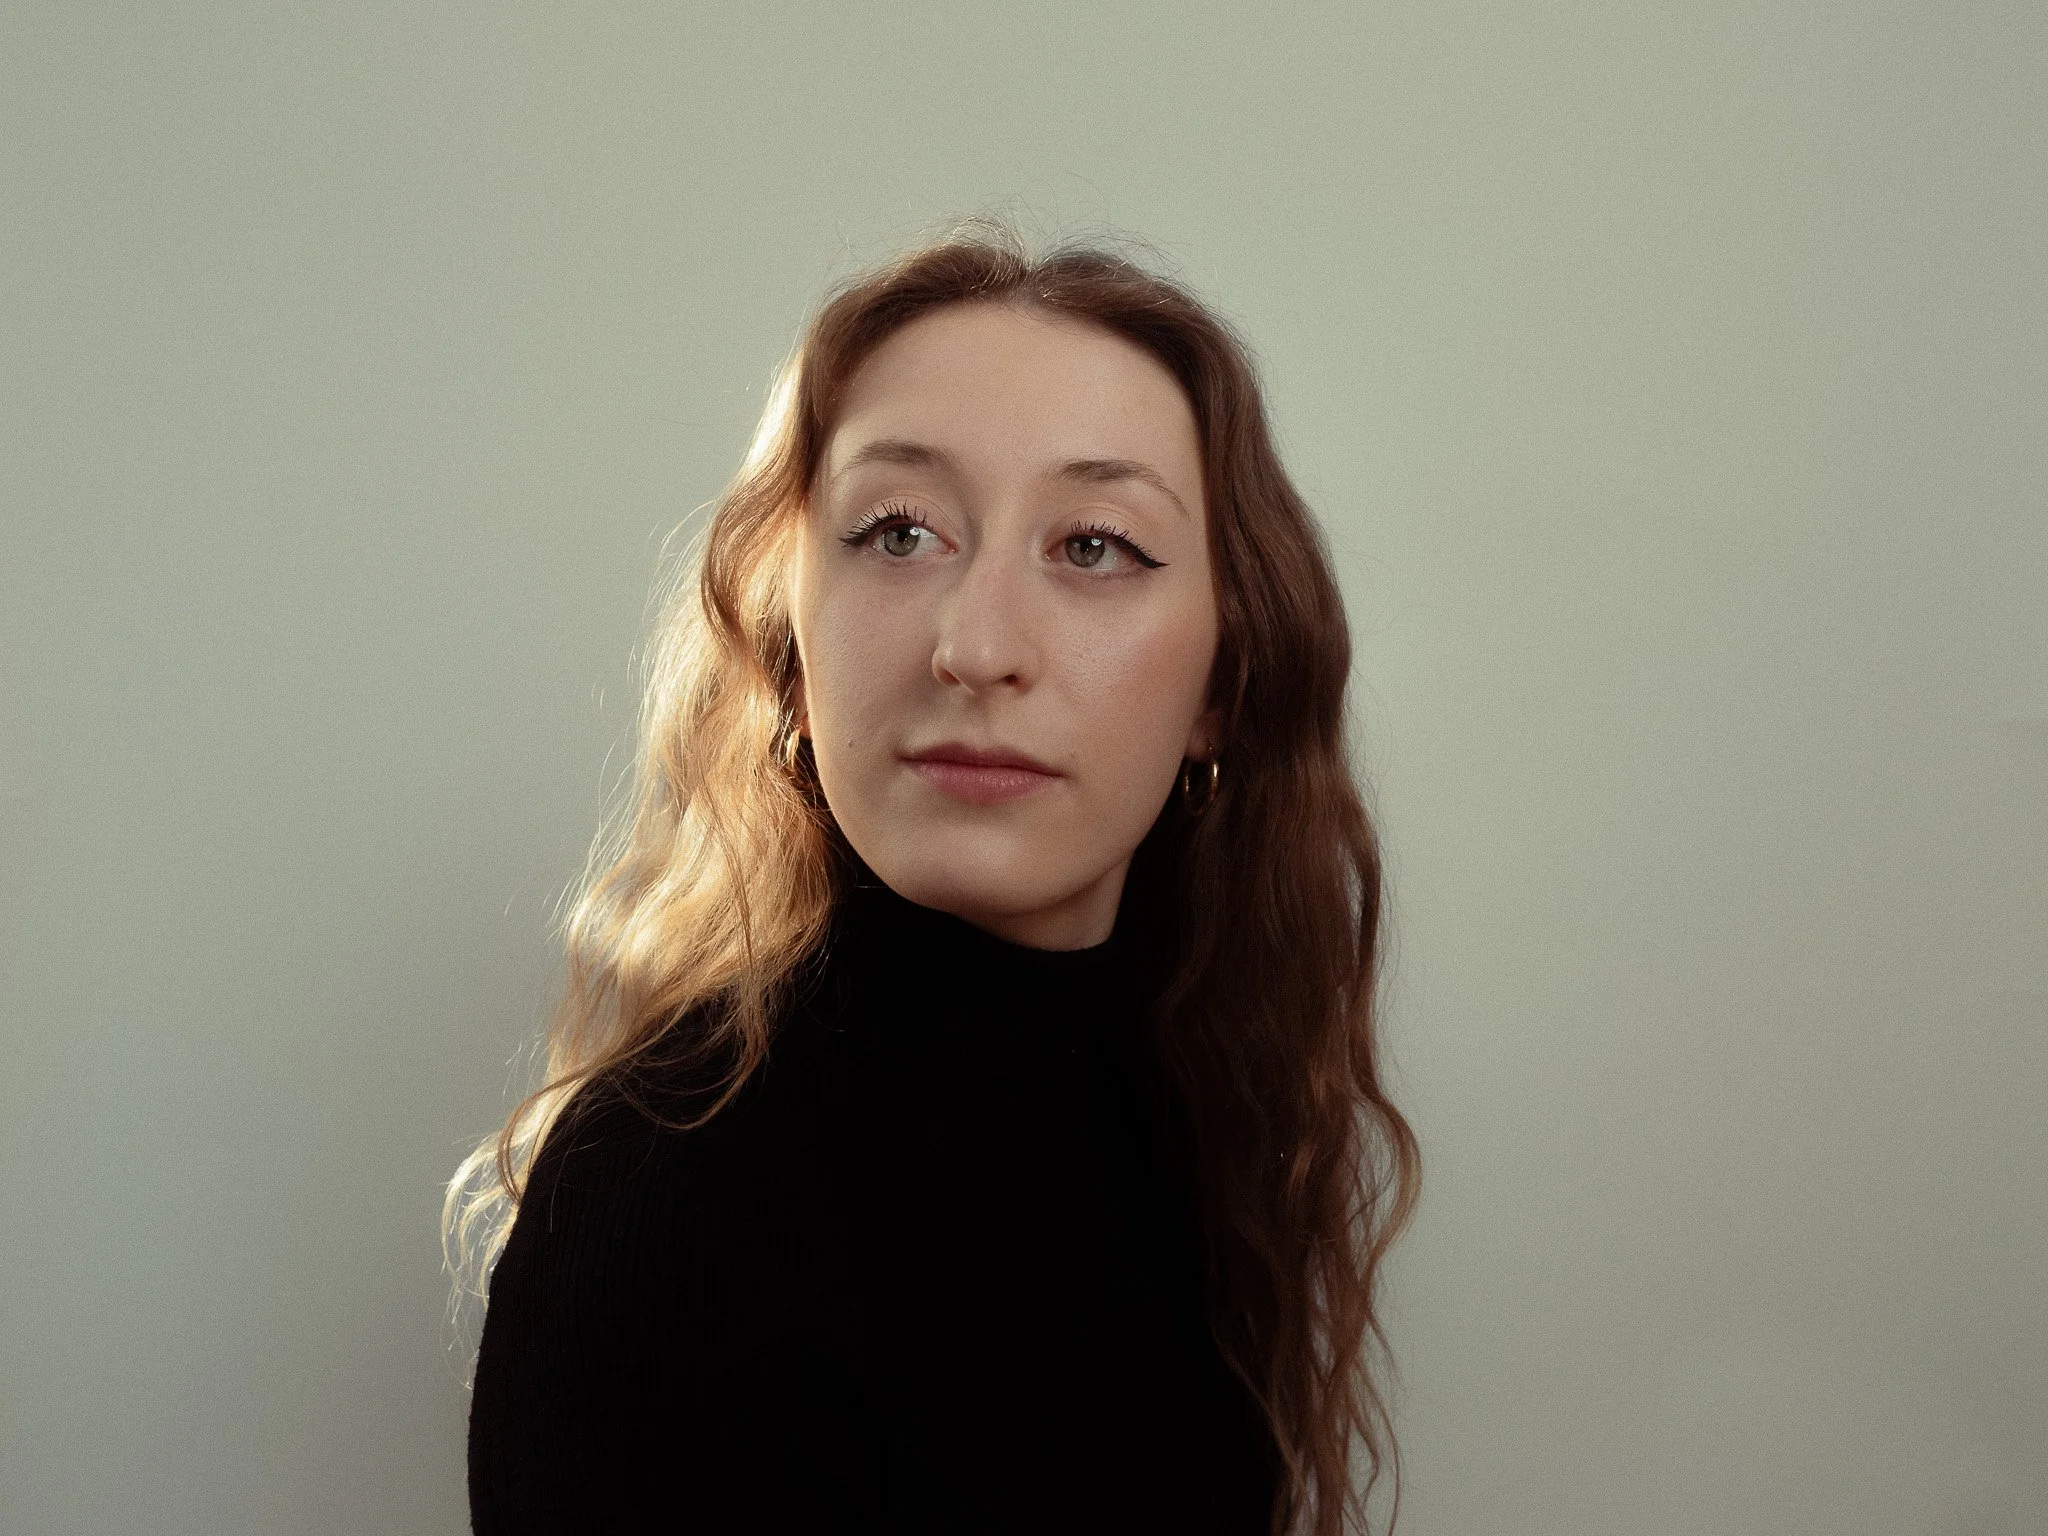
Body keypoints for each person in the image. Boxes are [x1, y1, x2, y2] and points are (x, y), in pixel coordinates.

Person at [448, 222, 1420, 1536]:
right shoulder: (660, 1199)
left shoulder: (1195, 1097)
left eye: (1093, 547)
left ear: (1223, 687)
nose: (975, 646)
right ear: (791, 649)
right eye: (897, 532)